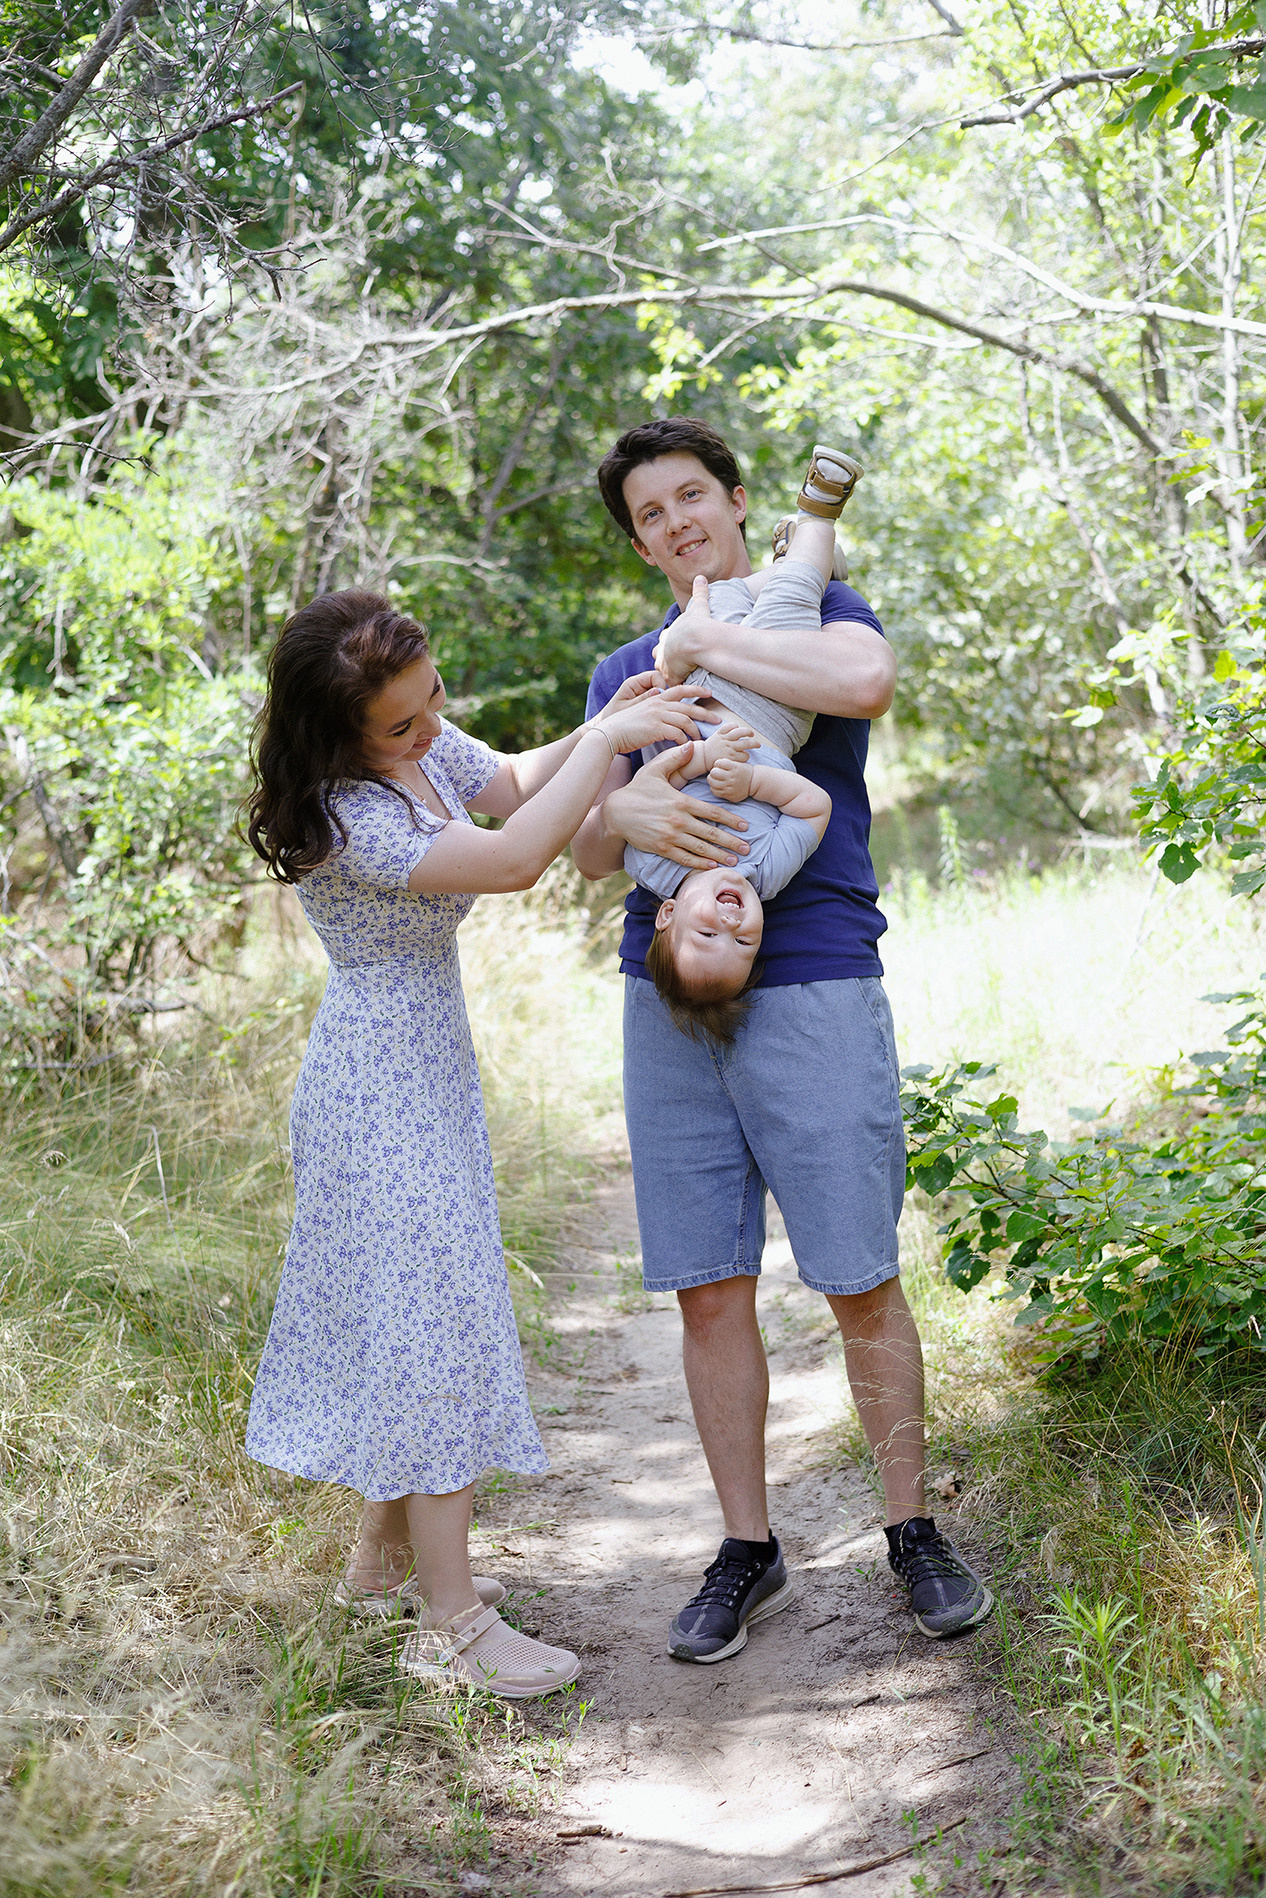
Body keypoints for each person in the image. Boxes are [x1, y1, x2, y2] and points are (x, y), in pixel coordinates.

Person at [573, 418, 993, 1658]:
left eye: (691, 496)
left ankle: (910, 1527)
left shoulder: (822, 607)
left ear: (740, 500)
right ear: (641, 540)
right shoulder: (626, 670)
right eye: (650, 515)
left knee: (858, 1273)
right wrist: (624, 802)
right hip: (666, 992)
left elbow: (863, 687)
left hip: (810, 977)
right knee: (709, 1285)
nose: (675, 523)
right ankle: (746, 1549)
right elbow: (592, 847)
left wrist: (713, 642)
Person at [244, 587, 710, 1698]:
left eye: (431, 699)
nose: (427, 725)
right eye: (402, 723)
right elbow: (511, 857)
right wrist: (606, 743)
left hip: (423, 1068)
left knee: (421, 1319)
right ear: (336, 735)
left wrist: (617, 716)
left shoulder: (413, 737)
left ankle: (380, 1565)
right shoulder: (344, 815)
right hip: (374, 1083)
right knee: (433, 1331)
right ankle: (449, 1624)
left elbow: (505, 781)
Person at [626, 445, 862, 1029]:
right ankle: (817, 522)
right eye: (743, 945)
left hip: (692, 695)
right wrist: (755, 778)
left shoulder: (656, 872)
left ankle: (802, 561)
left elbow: (649, 797)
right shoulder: (765, 872)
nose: (732, 927)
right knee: (790, 598)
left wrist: (701, 758)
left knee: (725, 602)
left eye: (708, 932)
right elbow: (812, 807)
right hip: (771, 712)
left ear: (669, 914)